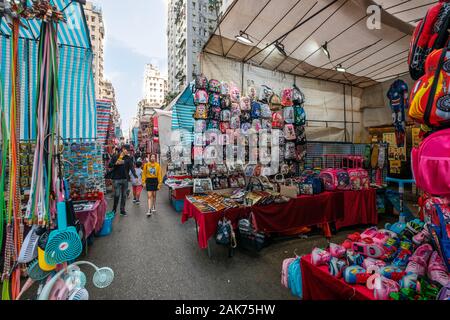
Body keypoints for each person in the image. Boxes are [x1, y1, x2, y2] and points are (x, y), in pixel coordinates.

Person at [109, 145, 137, 216]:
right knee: (117, 195)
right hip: (116, 179)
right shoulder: (115, 156)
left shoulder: (128, 158)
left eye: (128, 150)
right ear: (123, 149)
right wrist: (116, 164)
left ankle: (122, 210)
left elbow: (131, 167)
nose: (127, 151)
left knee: (124, 196)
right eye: (126, 150)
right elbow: (109, 165)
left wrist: (135, 176)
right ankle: (114, 209)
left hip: (125, 179)